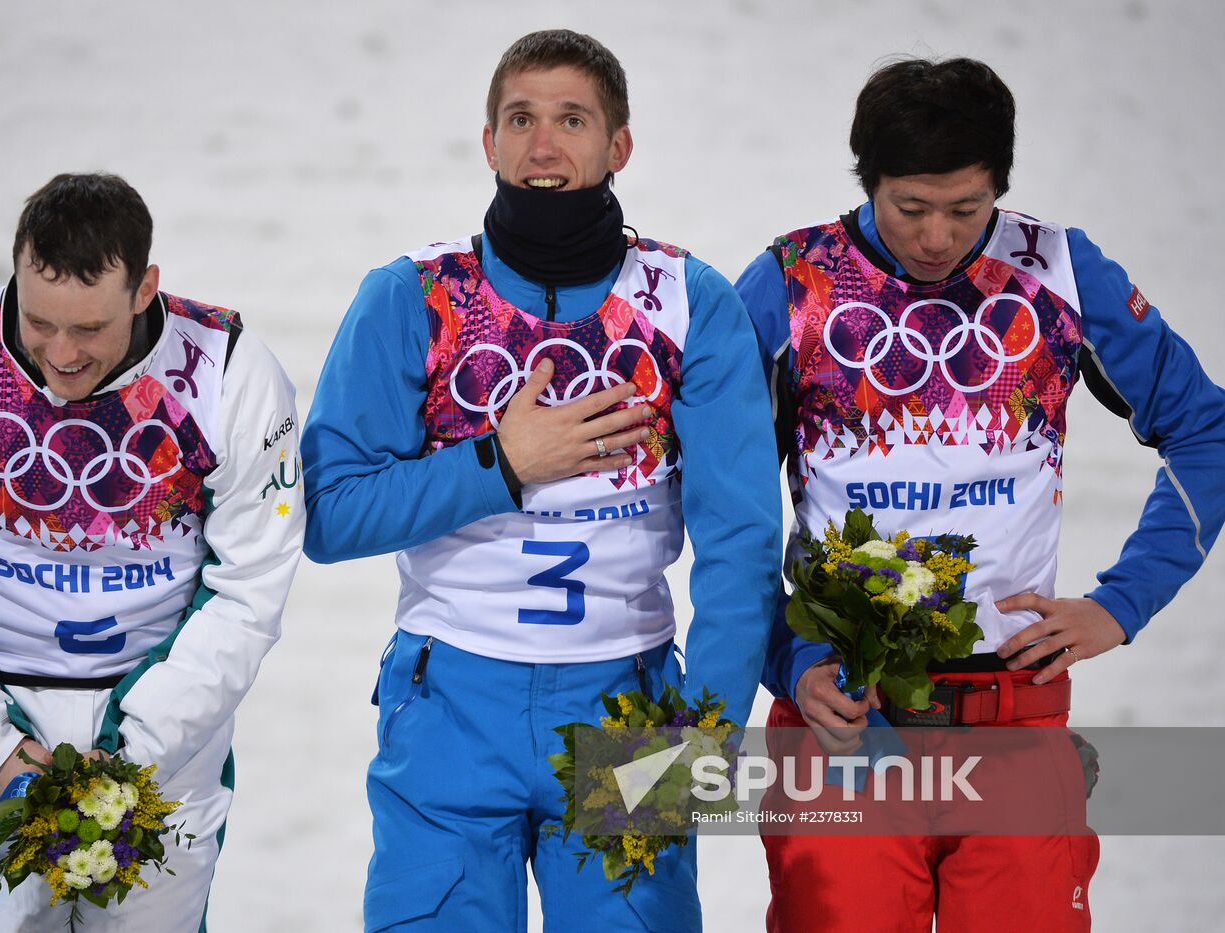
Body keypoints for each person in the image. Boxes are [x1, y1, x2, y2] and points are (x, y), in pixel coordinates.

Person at [301, 29, 782, 932]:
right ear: (489, 141)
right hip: (451, 702)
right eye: (521, 118)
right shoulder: (411, 296)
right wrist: (502, 463)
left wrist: (703, 738)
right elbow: (330, 513)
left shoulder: (689, 299)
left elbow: (744, 540)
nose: (544, 144)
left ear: (618, 145)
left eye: (572, 119)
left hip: (626, 705)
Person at [735, 57, 1225, 931]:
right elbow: (721, 509)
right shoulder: (791, 283)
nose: (937, 238)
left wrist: (1121, 603)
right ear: (868, 181)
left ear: (1001, 183)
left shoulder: (1065, 274)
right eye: (910, 208)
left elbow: (1206, 429)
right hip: (848, 718)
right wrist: (793, 659)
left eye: (967, 209)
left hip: (1015, 714)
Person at [0, 172, 305, 931]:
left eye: (88, 329)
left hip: (162, 740)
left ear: (144, 288)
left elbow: (251, 584)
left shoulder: (230, 371)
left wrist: (139, 753)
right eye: (39, 321)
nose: (60, 353)